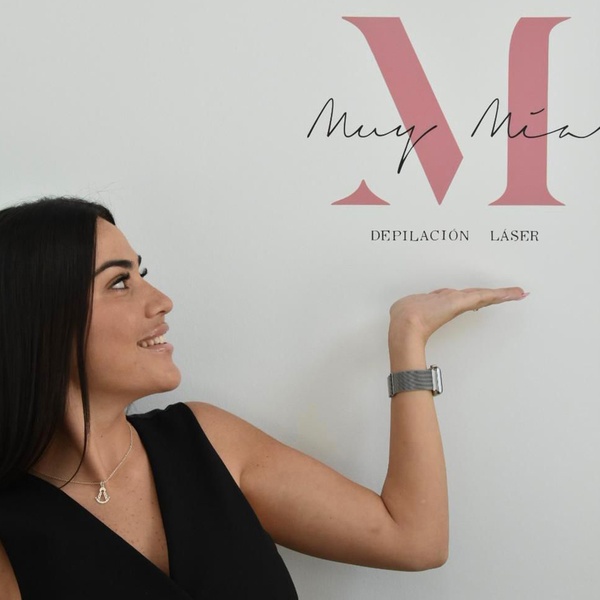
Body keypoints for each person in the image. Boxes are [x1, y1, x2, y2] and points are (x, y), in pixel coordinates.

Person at [0, 197, 527, 599]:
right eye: (119, 282)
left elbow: (414, 539)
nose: (162, 301)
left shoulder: (206, 441)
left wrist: (407, 337)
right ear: (41, 320)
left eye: (143, 274)